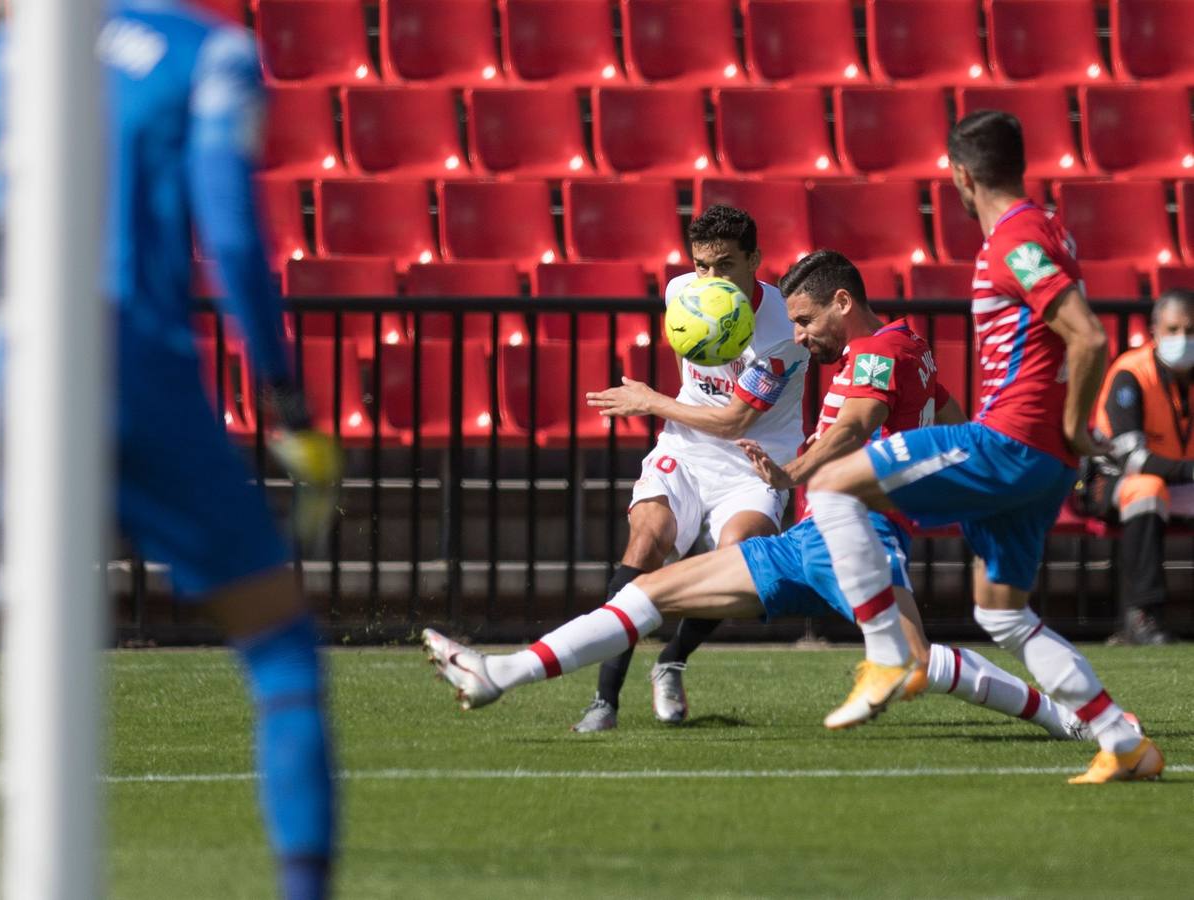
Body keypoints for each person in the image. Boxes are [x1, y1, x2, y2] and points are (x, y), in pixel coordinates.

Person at [0, 2, 337, 896]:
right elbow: (229, 232)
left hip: (6, 395)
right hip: (140, 372)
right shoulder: (207, 55)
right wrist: (285, 397)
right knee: (278, 651)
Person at [422, 250, 1084, 741]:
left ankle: (1073, 716)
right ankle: (499, 675)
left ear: (843, 303)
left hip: (850, 537)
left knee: (916, 661)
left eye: (805, 320)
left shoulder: (877, 352)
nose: (797, 336)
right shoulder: (910, 347)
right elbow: (950, 413)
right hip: (806, 541)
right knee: (650, 592)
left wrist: (797, 473)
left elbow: (857, 424)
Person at [798, 110, 1161, 783]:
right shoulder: (1046, 228)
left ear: (961, 176)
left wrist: (1077, 426)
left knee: (830, 483)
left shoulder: (1016, 241)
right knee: (1003, 614)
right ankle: (1123, 742)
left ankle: (885, 651)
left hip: (1012, 440)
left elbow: (1088, 336)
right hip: (1041, 457)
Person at [569, 205, 809, 732]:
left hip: (753, 461)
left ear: (755, 261)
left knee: (736, 563)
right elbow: (693, 374)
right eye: (702, 265)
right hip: (688, 450)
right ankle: (604, 702)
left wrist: (650, 401)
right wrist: (669, 407)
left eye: (725, 265)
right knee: (644, 545)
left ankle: (672, 659)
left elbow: (733, 421)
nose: (710, 279)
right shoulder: (681, 292)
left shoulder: (783, 332)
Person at [1085, 288, 1194, 645]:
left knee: (1156, 487)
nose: (1183, 339)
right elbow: (1131, 458)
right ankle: (1141, 616)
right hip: (1112, 481)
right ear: (1154, 332)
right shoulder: (1130, 373)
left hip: (1178, 481)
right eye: (1174, 330)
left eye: (1191, 331)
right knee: (1147, 489)